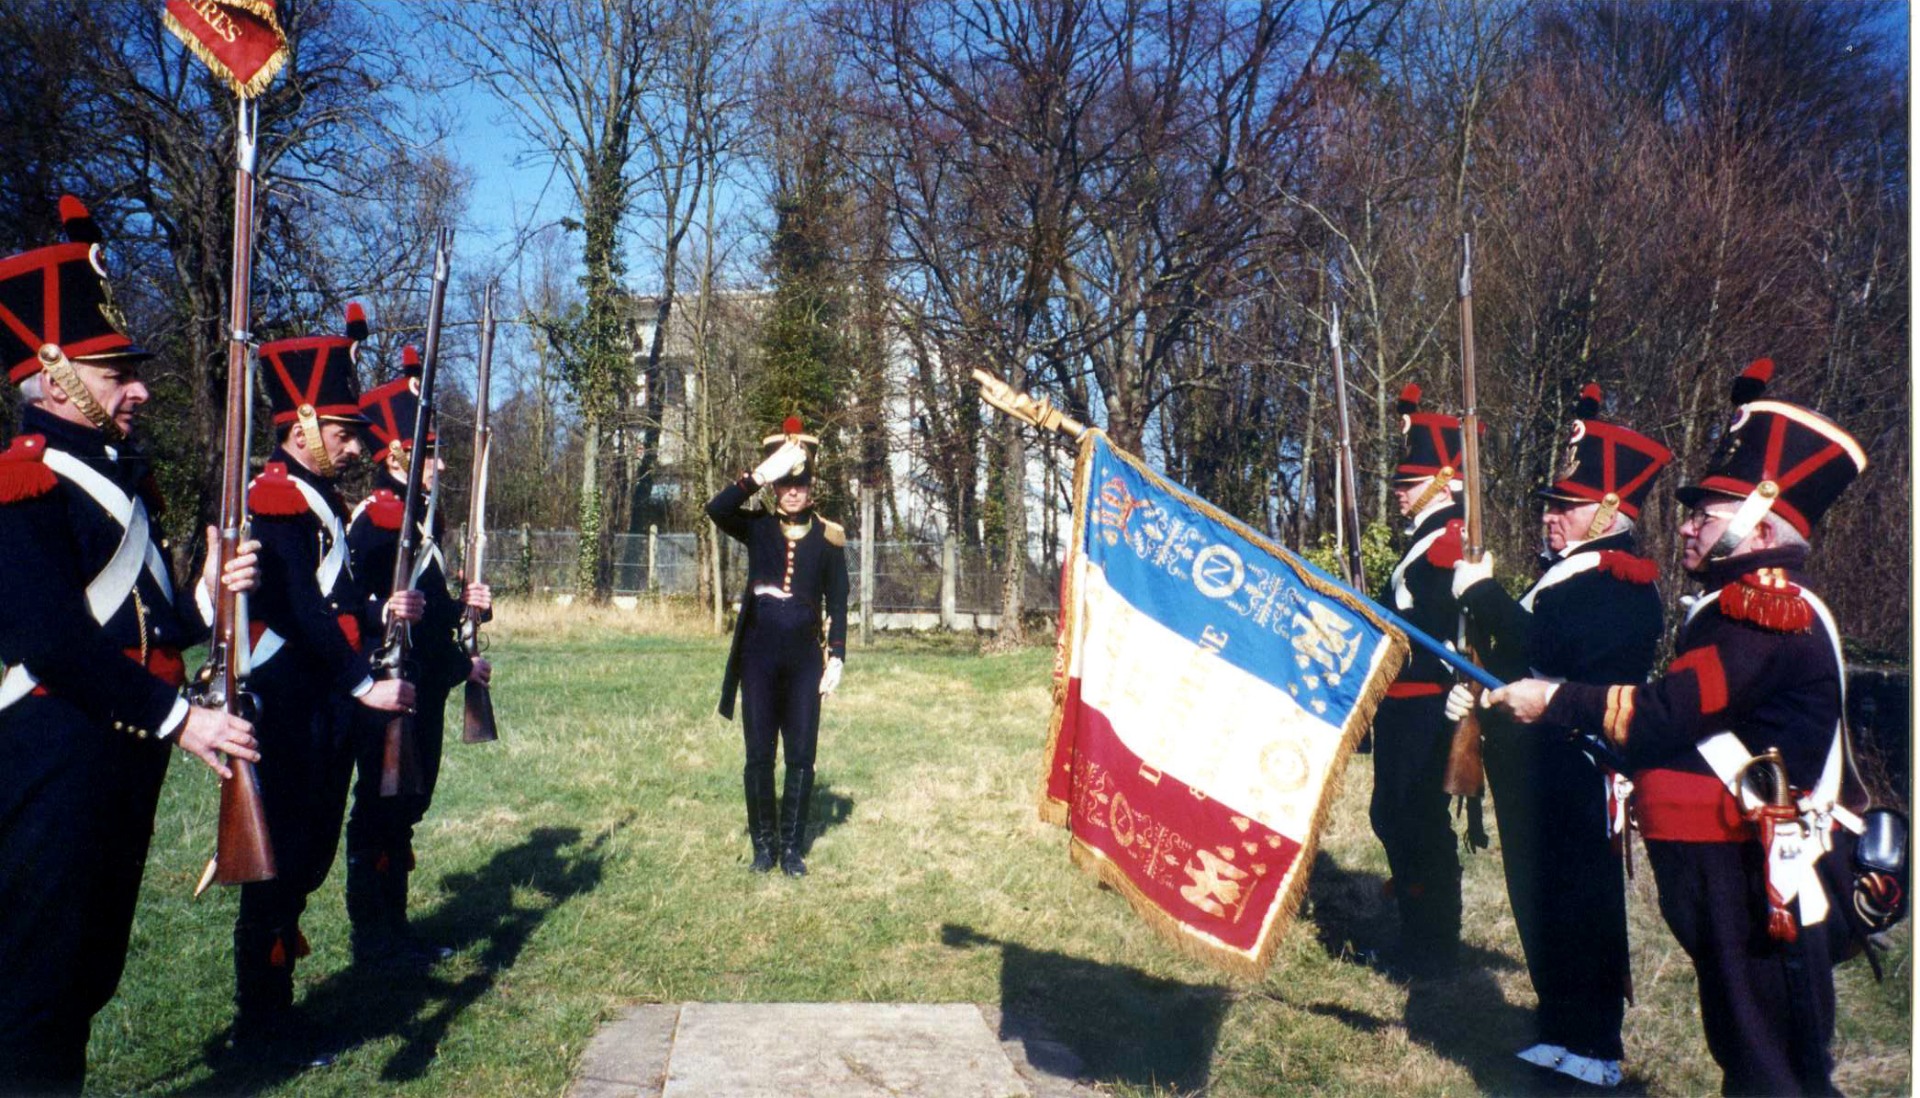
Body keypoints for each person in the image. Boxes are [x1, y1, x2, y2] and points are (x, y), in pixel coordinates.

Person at [1488, 360, 1868, 1096]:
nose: (1687, 525)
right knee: (1750, 1045)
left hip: (1758, 873)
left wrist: (1554, 700)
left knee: (1768, 1060)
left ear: (1761, 523)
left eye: (1707, 513)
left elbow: (1668, 713)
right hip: (1734, 868)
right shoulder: (1737, 606)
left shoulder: (1762, 612)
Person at [0, 195, 260, 1094]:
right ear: (53, 375)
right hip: (53, 762)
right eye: (115, 373)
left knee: (83, 974)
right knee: (34, 992)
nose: (138, 388)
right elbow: (55, 643)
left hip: (113, 760)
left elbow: (152, 628)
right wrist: (181, 720)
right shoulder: (24, 482)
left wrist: (208, 592)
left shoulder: (119, 478)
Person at [1446, 383, 1671, 1087]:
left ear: (1608, 511)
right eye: (1550, 504)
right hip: (1535, 768)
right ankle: (1559, 1026)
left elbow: (1548, 649)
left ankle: (1596, 1046)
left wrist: (1482, 594)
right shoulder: (1568, 573)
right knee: (1538, 901)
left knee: (1580, 907)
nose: (1550, 517)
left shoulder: (1621, 580)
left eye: (1565, 506)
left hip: (1578, 769)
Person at [232, 304, 417, 1058]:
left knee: (305, 854)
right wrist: (359, 682)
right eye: (341, 430)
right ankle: (262, 1022)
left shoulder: (320, 502)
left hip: (320, 702)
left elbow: (337, 600)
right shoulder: (276, 496)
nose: (353, 443)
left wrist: (378, 615)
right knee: (278, 864)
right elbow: (305, 610)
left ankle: (275, 1011)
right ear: (302, 422)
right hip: (291, 704)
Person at [344, 346, 492, 966]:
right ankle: (374, 936)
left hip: (421, 687)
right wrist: (460, 665)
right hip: (391, 691)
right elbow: (359, 608)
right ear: (398, 456)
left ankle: (394, 930)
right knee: (381, 812)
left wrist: (468, 609)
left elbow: (427, 615)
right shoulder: (377, 520)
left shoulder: (415, 521)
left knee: (404, 809)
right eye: (429, 452)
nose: (441, 463)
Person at [707, 416, 849, 877]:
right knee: (759, 757)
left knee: (802, 755)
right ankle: (763, 848)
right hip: (759, 659)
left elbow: (839, 602)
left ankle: (791, 849)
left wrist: (837, 656)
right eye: (785, 483)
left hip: (805, 661)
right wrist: (758, 475)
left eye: (799, 484)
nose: (792, 492)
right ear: (775, 486)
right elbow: (717, 508)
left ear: (811, 488)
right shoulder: (758, 528)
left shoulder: (829, 539)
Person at [1367, 383, 1471, 977]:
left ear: (1443, 482)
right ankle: (1420, 932)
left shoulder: (1445, 544)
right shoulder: (1426, 540)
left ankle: (1431, 945)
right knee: (1396, 817)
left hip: (1425, 707)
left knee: (1415, 821)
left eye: (1411, 482)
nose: (1401, 492)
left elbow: (1436, 631)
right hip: (1404, 706)